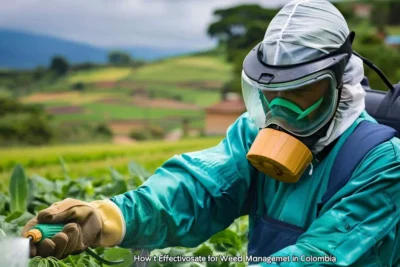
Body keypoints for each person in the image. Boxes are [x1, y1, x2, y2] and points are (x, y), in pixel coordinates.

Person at [22, 0, 400, 266]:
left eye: (301, 92)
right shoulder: (254, 135)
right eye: (272, 94)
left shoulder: (381, 162)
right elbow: (196, 191)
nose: (282, 111)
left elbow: (321, 257)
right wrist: (107, 219)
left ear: (339, 86)